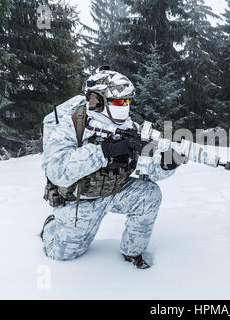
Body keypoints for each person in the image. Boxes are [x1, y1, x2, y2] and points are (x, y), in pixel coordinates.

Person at [40, 66, 179, 269]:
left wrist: (166, 165)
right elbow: (57, 171)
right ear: (98, 101)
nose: (125, 106)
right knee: (61, 255)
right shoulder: (71, 127)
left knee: (149, 195)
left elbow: (148, 171)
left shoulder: (129, 128)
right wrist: (104, 151)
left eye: (127, 101)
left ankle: (132, 251)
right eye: (119, 101)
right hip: (81, 200)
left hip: (115, 190)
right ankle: (52, 224)